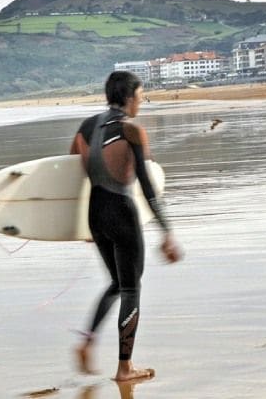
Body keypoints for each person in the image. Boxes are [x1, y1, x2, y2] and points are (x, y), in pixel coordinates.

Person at [69, 71, 184, 382]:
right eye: (141, 96)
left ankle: (86, 340)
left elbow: (73, 167)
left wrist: (84, 227)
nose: (141, 103)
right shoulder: (132, 130)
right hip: (122, 212)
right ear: (130, 98)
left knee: (117, 284)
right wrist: (167, 232)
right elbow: (147, 187)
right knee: (132, 289)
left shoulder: (86, 127)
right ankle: (125, 368)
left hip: (95, 214)